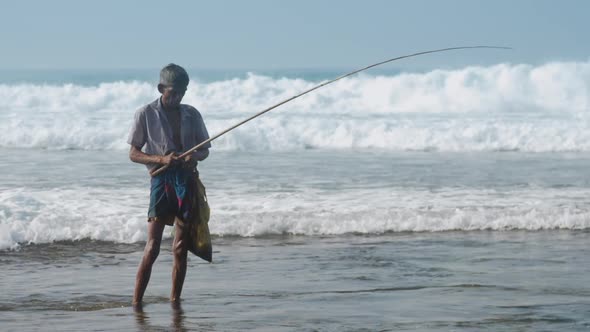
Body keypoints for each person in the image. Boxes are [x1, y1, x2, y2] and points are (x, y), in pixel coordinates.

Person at [128, 63, 211, 306]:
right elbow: (133, 153)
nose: (177, 97)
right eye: (173, 92)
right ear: (161, 88)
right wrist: (161, 159)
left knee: (180, 247)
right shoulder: (145, 114)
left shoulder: (192, 114)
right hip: (161, 181)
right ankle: (136, 303)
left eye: (182, 92)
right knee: (153, 247)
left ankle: (175, 302)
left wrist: (192, 156)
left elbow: (204, 150)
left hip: (186, 181)